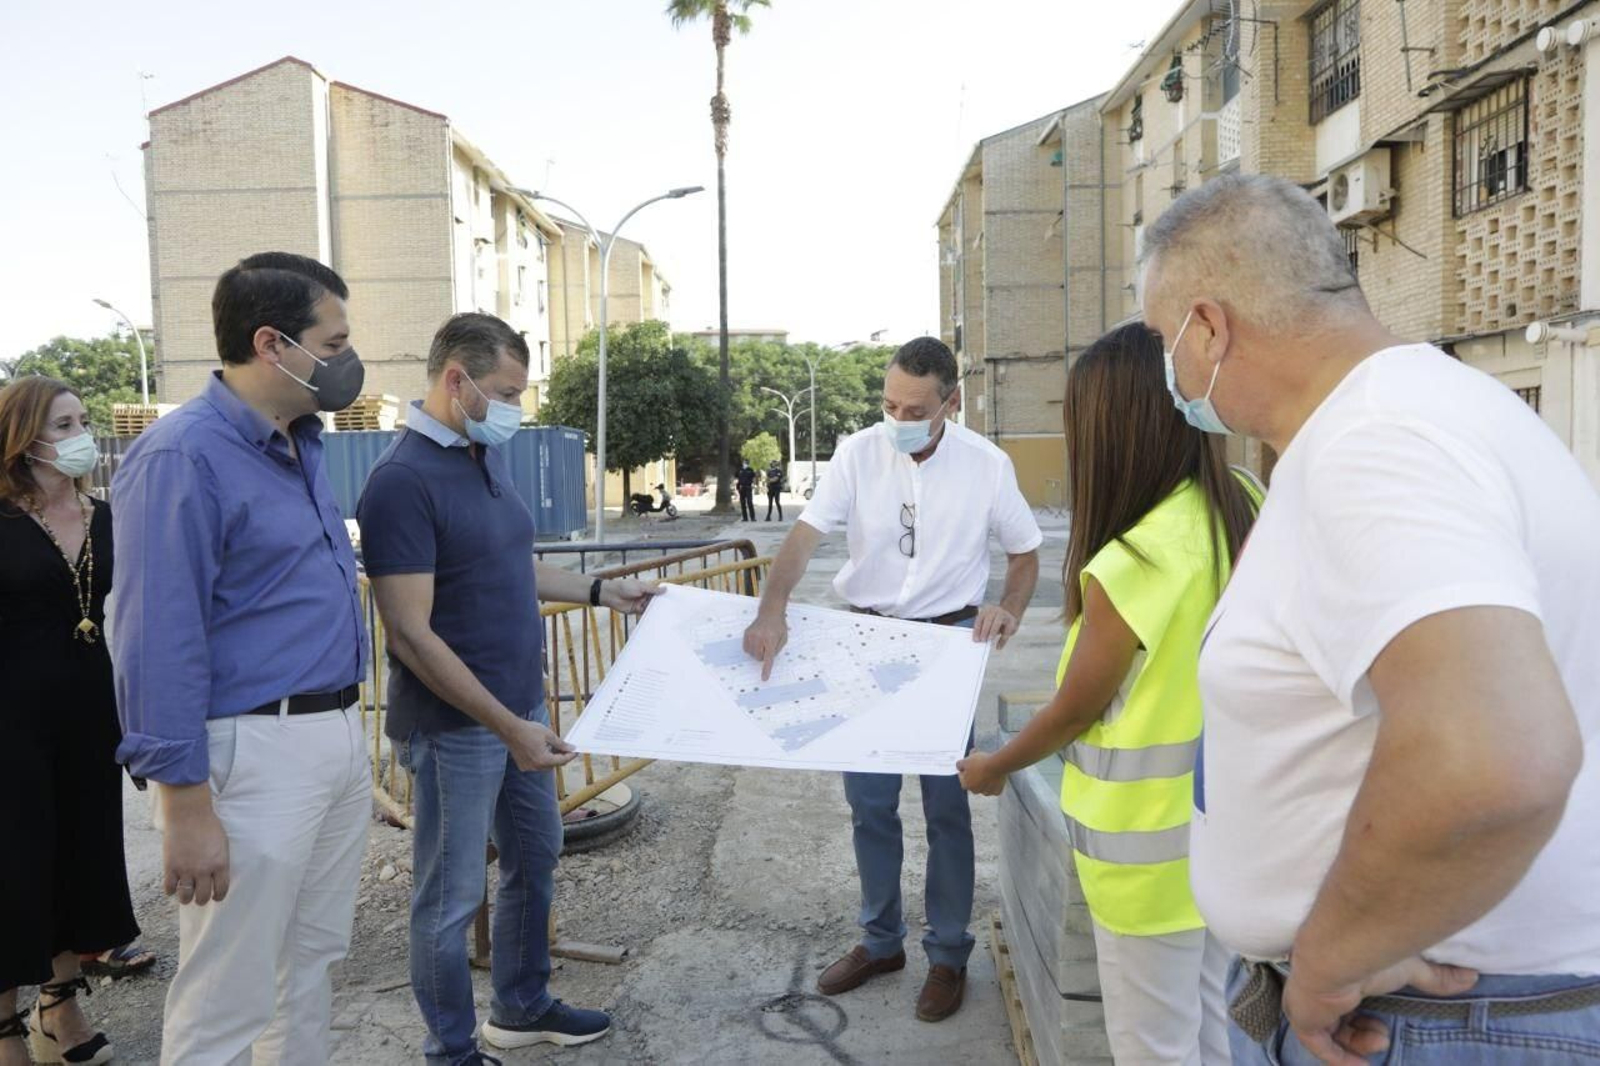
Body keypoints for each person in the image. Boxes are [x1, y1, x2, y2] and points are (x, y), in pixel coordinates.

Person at [1139, 173, 1600, 1064]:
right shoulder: (1428, 413)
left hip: (1424, 1024)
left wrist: (1329, 960)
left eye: (1165, 342)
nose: (1173, 371)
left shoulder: (1375, 445)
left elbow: (1497, 755)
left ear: (1208, 328)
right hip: (1453, 1014)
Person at [358, 313, 661, 1065]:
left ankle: (522, 1008)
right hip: (461, 725)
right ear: (455, 381)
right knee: (450, 896)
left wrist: (601, 591)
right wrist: (505, 725)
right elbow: (412, 634)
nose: (515, 411)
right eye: (505, 392)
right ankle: (452, 1052)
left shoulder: (478, 455)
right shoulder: (401, 482)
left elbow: (509, 564)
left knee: (534, 856)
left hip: (519, 709)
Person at [957, 323, 1257, 1064]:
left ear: (1111, 433)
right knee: (1219, 1027)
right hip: (1237, 838)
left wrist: (995, 766)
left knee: (1153, 1047)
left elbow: (1074, 709)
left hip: (1148, 868)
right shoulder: (1243, 502)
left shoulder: (1136, 560)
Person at [111, 252, 372, 1064]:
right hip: (249, 754)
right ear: (272, 344)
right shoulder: (180, 456)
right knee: (228, 992)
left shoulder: (300, 444)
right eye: (334, 341)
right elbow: (156, 639)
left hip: (330, 735)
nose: (346, 357)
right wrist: (184, 808)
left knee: (309, 969)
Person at [743, 336, 1042, 1022]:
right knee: (870, 805)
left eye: (914, 407)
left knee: (946, 808)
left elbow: (1025, 554)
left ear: (952, 402)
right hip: (864, 637)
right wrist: (772, 609)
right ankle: (881, 942)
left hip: (945, 644)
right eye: (888, 403)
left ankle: (947, 955)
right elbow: (805, 536)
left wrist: (1010, 606)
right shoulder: (857, 453)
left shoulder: (986, 466)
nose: (897, 417)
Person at [0, 377, 140, 1066]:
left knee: (80, 860)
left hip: (87, 714)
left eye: (83, 419)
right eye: (64, 424)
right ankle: (3, 1029)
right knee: (15, 868)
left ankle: (60, 1007)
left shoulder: (103, 516)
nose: (81, 434)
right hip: (9, 720)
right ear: (24, 440)